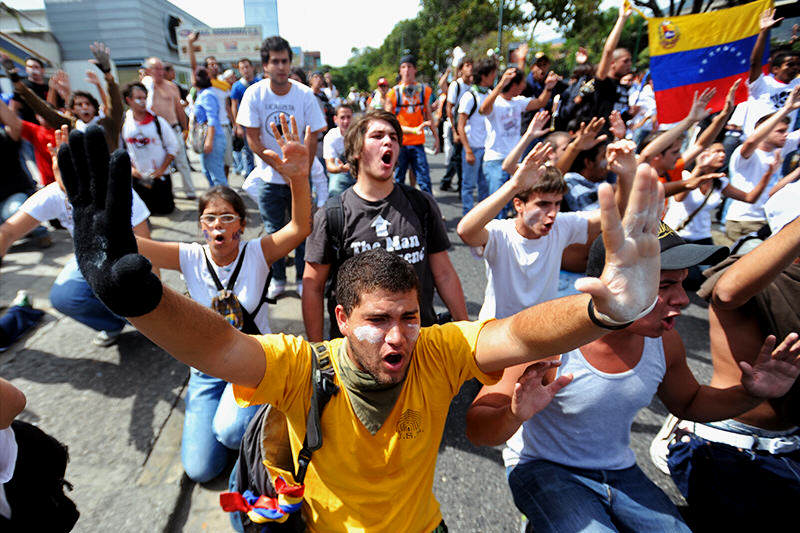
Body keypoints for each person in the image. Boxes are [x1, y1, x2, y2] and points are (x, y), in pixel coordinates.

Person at [57, 116, 667, 530]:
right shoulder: (303, 366)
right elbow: (220, 349)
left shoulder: (438, 349)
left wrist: (605, 308)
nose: (399, 334)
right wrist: (141, 301)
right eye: (379, 320)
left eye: (408, 316)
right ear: (343, 321)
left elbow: (523, 331)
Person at [466, 223, 800, 533]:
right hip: (542, 466)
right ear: (612, 286)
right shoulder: (550, 339)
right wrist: (513, 414)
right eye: (665, 285)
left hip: (619, 471)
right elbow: (478, 428)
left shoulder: (664, 342)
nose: (682, 300)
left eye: (682, 283)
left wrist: (751, 393)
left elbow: (689, 401)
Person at [133, 113, 312, 483]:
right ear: (201, 225)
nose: (218, 225)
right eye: (210, 218)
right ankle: (243, 426)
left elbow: (299, 228)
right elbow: (133, 246)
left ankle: (268, 416)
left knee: (229, 432)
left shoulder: (257, 253)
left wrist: (297, 177)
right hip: (206, 369)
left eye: (228, 218)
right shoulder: (189, 256)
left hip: (251, 360)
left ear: (241, 226)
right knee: (201, 469)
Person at [661, 196, 800, 530]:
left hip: (790, 446)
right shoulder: (753, 274)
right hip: (731, 448)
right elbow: (726, 292)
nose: (679, 299)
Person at [302, 109, 468, 341]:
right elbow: (313, 287)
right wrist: (318, 353)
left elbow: (444, 274)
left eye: (393, 137)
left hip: (419, 344)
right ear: (357, 149)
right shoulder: (332, 215)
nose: (388, 141)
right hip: (358, 352)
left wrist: (466, 334)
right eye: (377, 136)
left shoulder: (421, 204)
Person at [0, 125, 151, 347]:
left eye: (75, 161)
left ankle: (149, 325)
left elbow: (146, 243)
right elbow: (9, 231)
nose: (70, 170)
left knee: (129, 286)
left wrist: (152, 303)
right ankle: (112, 324)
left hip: (127, 255)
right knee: (65, 296)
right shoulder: (53, 194)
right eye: (63, 162)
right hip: (89, 257)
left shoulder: (113, 188)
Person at [460, 136, 636, 320]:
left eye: (557, 204)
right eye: (543, 204)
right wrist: (514, 185)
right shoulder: (500, 233)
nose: (552, 213)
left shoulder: (562, 225)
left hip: (541, 330)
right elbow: (466, 231)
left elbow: (616, 216)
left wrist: (626, 175)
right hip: (497, 331)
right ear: (519, 205)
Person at [237, 36, 326, 300]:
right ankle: (277, 278)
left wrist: (300, 173)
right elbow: (252, 139)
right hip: (268, 178)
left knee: (303, 230)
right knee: (274, 232)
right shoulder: (254, 93)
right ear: (265, 65)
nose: (280, 66)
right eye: (274, 61)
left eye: (284, 61)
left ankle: (301, 277)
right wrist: (281, 167)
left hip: (300, 179)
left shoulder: (305, 95)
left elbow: (312, 138)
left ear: (290, 63)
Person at [2, 44, 123, 153]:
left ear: (94, 107)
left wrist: (107, 74)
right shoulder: (69, 126)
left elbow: (116, 104)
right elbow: (43, 109)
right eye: (79, 105)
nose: (84, 107)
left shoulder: (108, 124)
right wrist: (16, 82)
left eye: (88, 104)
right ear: (73, 110)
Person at [480, 66, 558, 214]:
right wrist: (501, 84)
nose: (525, 85)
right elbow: (483, 110)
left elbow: (540, 102)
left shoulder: (518, 102)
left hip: (514, 162)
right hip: (495, 161)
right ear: (514, 85)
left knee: (513, 206)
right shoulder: (494, 101)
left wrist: (548, 88)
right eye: (522, 82)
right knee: (497, 208)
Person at [725, 87, 800, 241]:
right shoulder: (746, 153)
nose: (786, 134)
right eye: (779, 131)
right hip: (744, 221)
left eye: (786, 130)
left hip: (765, 220)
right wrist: (786, 109)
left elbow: (772, 191)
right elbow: (752, 140)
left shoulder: (779, 149)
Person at [121, 82, 179, 214]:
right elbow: (122, 150)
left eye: (144, 98)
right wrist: (132, 170)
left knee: (165, 210)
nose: (142, 102)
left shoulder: (158, 122)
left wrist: (162, 169)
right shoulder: (125, 123)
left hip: (160, 178)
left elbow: (173, 147)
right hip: (138, 179)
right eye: (138, 98)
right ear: (128, 100)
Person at [142, 56, 196, 199]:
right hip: (155, 132)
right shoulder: (146, 88)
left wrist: (185, 128)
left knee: (182, 161)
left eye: (162, 68)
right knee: (161, 164)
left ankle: (190, 191)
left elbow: (179, 108)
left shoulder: (172, 86)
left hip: (174, 129)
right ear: (149, 71)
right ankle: (167, 193)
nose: (160, 72)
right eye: (156, 68)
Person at [384, 55, 437, 193]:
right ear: (400, 71)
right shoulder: (393, 93)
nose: (406, 70)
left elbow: (428, 114)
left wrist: (436, 138)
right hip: (399, 143)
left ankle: (430, 212)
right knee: (398, 179)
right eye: (403, 67)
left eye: (409, 66)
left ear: (415, 69)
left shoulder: (424, 91)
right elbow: (388, 121)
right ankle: (398, 211)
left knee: (424, 179)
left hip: (418, 143)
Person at [744, 8, 800, 136]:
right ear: (775, 69)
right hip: (753, 140)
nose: (795, 68)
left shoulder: (797, 85)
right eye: (790, 64)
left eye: (798, 65)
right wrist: (764, 32)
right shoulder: (762, 82)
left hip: (780, 146)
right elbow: (755, 62)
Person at [188, 31, 234, 178]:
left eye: (215, 64)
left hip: (224, 128)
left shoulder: (224, 85)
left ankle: (223, 188)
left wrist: (236, 124)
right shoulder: (206, 86)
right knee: (210, 168)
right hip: (209, 130)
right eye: (210, 64)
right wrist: (190, 44)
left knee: (225, 163)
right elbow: (193, 67)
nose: (213, 66)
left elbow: (228, 106)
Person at [457, 57, 496, 215]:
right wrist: (467, 150)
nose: (494, 76)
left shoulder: (490, 94)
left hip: (487, 149)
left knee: (484, 186)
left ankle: (481, 218)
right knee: (468, 186)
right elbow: (461, 125)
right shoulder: (469, 96)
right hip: (473, 147)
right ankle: (468, 217)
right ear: (484, 75)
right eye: (492, 74)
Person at [440, 56, 473, 192]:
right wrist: (454, 131)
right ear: (461, 69)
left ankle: (446, 181)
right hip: (455, 126)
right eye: (467, 65)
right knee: (458, 157)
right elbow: (449, 108)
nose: (470, 68)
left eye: (471, 65)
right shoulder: (456, 85)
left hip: (467, 126)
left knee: (456, 156)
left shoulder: (471, 86)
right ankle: (461, 186)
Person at [192, 68, 227, 187]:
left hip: (214, 138)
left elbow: (212, 118)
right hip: (208, 138)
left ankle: (224, 203)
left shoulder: (207, 95)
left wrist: (209, 141)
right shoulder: (202, 93)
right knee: (207, 172)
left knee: (217, 177)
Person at [230, 58, 260, 178]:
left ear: (252, 67)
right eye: (242, 68)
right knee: (248, 152)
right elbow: (233, 106)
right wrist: (237, 126)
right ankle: (250, 178)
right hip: (246, 125)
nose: (245, 70)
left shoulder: (260, 83)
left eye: (247, 67)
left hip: (260, 123)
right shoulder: (237, 86)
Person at [323, 104, 354, 197]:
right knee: (334, 193)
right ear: (335, 119)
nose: (346, 121)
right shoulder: (331, 136)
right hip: (340, 173)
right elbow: (330, 165)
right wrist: (340, 169)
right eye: (342, 117)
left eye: (349, 117)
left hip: (360, 172)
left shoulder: (361, 133)